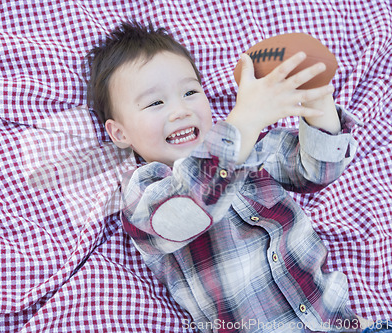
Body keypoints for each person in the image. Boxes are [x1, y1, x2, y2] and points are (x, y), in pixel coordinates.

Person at [86, 21, 388, 332]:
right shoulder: (144, 190)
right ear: (120, 133)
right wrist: (243, 122)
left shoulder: (254, 149)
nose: (180, 110)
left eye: (190, 92)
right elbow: (185, 211)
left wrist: (317, 106)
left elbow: (318, 171)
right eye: (155, 103)